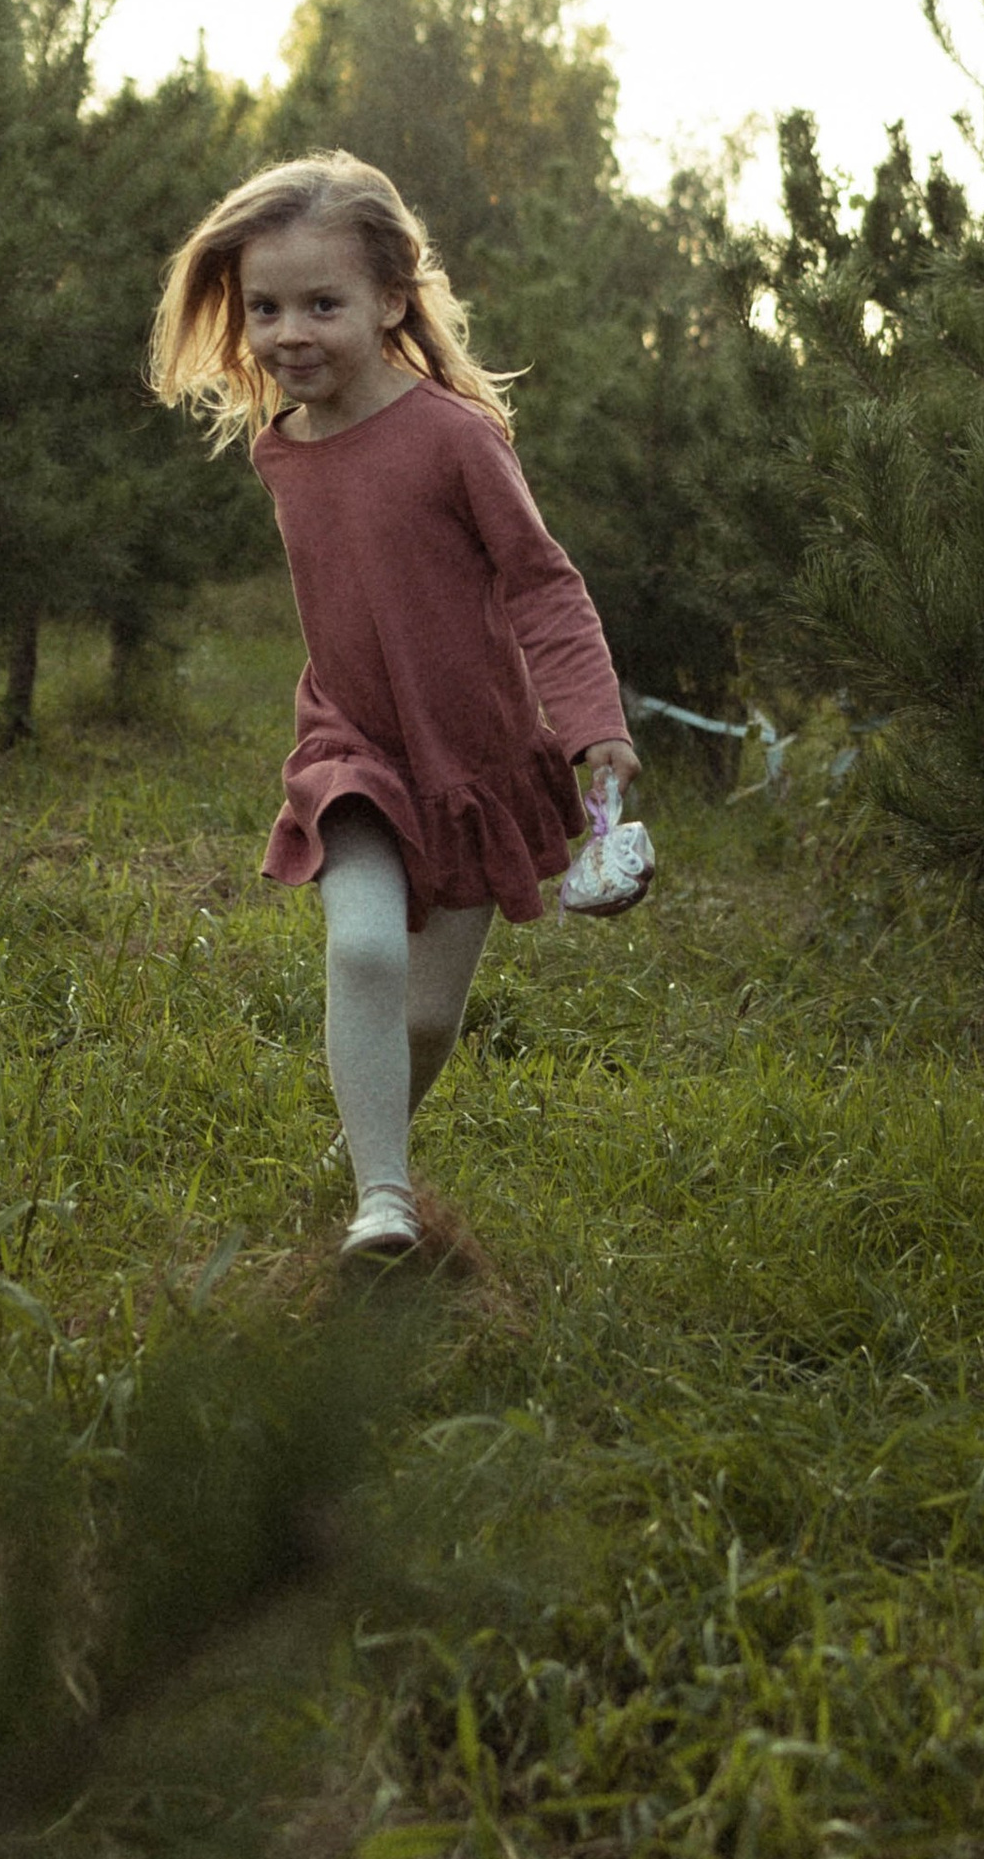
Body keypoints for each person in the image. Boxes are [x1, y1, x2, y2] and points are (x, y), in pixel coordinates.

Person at [149, 149, 638, 1263]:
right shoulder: (282, 448)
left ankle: (368, 1145)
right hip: (352, 745)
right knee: (364, 951)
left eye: (322, 303)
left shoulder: (454, 437)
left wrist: (592, 725)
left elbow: (541, 583)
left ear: (389, 296)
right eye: (264, 307)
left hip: (472, 757)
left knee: (422, 1018)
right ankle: (384, 1199)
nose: (287, 334)